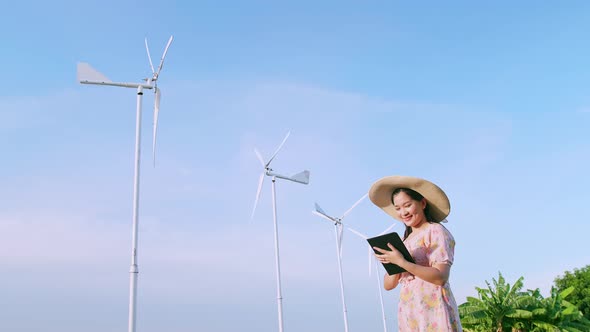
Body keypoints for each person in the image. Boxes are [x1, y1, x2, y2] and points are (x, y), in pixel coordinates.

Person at [369, 175, 462, 331]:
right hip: (410, 310)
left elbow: (440, 277)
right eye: (398, 208)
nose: (403, 212)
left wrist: (402, 262)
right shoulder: (404, 241)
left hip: (434, 309)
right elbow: (388, 285)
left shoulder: (435, 231)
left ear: (423, 203)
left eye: (407, 205)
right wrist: (391, 260)